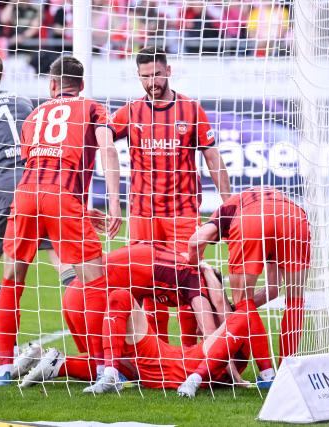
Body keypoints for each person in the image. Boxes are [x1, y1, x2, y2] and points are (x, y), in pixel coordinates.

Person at [0, 55, 122, 386]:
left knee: (12, 278)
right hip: (62, 197)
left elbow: (39, 164)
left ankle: (3, 366)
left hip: (26, 194)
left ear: (53, 85)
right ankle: (105, 368)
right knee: (95, 280)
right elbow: (108, 150)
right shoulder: (92, 108)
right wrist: (114, 203)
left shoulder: (33, 115)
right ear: (81, 85)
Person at [0, 50, 76, 355]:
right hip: (42, 184)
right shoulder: (24, 102)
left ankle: (7, 346)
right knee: (62, 261)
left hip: (5, 190)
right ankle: (95, 338)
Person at [111, 46, 231, 344]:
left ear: (168, 71)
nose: (152, 82)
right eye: (145, 77)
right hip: (142, 215)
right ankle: (158, 350)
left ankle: (192, 351)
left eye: (156, 75)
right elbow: (99, 139)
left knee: (189, 281)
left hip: (182, 213)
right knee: (146, 282)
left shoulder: (191, 109)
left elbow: (213, 158)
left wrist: (229, 206)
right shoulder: (130, 112)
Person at [20, 285, 252, 394]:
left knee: (120, 298)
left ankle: (71, 366)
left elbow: (233, 314)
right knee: (121, 302)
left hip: (163, 366)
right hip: (157, 364)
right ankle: (60, 364)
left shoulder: (220, 348)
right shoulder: (217, 352)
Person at [188, 186, 311, 388]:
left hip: (250, 219)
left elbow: (195, 242)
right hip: (294, 217)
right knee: (295, 299)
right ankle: (288, 372)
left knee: (244, 301)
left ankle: (268, 374)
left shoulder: (225, 210)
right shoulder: (272, 199)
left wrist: (194, 267)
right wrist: (237, 313)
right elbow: (272, 289)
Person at [60, 242, 229, 378]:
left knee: (123, 361)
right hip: (88, 301)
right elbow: (211, 335)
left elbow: (135, 295)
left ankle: (43, 359)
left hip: (75, 297)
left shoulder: (177, 266)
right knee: (135, 369)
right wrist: (233, 376)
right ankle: (57, 365)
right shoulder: (196, 284)